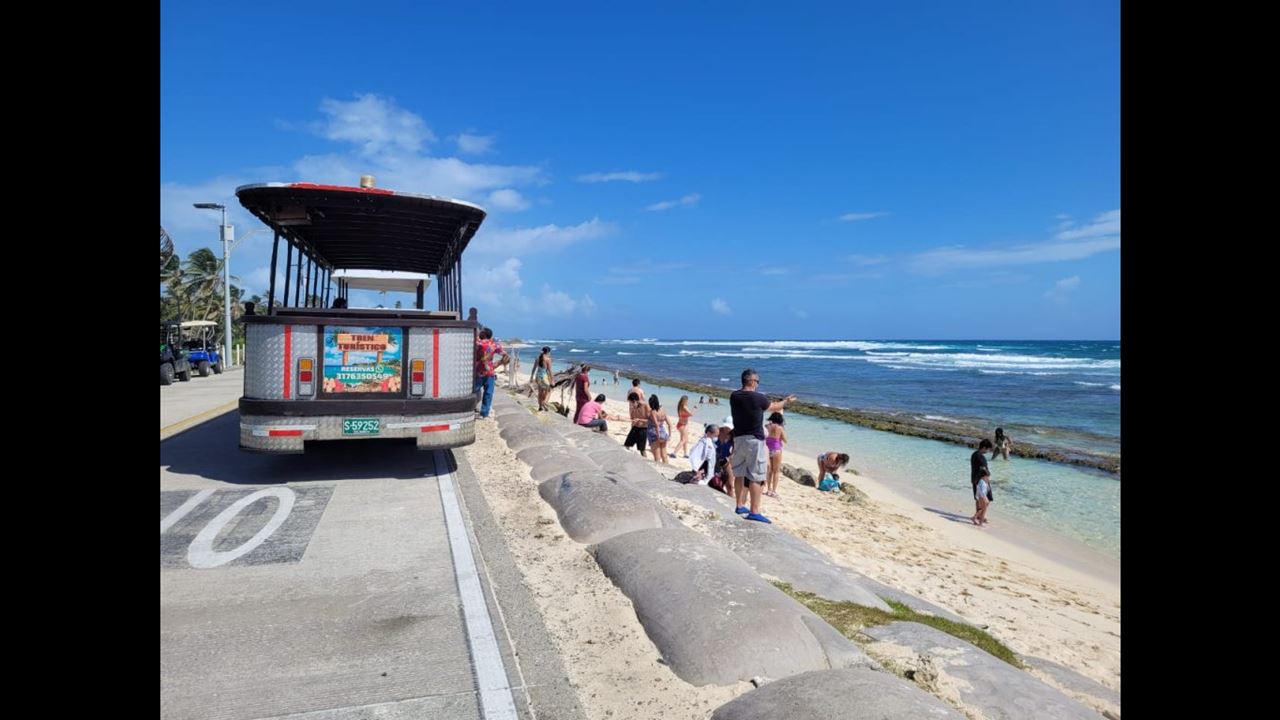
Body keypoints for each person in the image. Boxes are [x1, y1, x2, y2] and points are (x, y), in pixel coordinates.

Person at [729, 369, 795, 523]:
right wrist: (786, 401)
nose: (758, 384)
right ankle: (754, 510)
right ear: (751, 381)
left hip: (738, 438)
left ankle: (739, 505)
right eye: (757, 381)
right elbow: (773, 407)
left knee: (739, 473)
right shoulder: (758, 397)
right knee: (756, 476)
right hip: (754, 440)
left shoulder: (734, 396)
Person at [473, 327, 508, 418]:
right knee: (488, 394)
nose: (480, 333)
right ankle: (484, 413)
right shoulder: (494, 345)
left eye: (481, 332)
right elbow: (505, 355)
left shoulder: (478, 343)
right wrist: (499, 363)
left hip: (478, 372)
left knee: (473, 391)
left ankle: (470, 408)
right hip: (490, 373)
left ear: (484, 334)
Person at [764, 412, 788, 498]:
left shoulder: (767, 426)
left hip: (767, 449)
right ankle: (774, 491)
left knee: (769, 471)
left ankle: (769, 489)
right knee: (776, 471)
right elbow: (785, 440)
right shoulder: (780, 428)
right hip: (776, 450)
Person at [971, 439, 994, 525]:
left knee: (978, 499)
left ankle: (980, 516)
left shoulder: (974, 454)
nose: (988, 451)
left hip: (974, 479)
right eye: (988, 449)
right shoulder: (981, 457)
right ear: (984, 448)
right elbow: (984, 469)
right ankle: (978, 517)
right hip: (981, 480)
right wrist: (988, 474)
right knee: (985, 500)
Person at [646, 394, 674, 464]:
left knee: (657, 457)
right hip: (663, 434)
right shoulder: (663, 410)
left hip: (654, 434)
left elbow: (656, 425)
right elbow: (670, 424)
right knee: (664, 456)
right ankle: (668, 469)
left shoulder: (653, 412)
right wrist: (670, 435)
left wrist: (658, 436)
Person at [623, 391, 649, 456]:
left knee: (642, 449)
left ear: (634, 401)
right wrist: (632, 410)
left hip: (643, 429)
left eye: (631, 403)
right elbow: (632, 418)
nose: (630, 404)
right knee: (626, 445)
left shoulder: (645, 406)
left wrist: (640, 420)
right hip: (635, 428)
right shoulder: (633, 408)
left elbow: (650, 420)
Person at [712, 422, 736, 495]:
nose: (727, 429)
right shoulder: (717, 431)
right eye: (726, 427)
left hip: (726, 461)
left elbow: (735, 451)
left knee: (730, 485)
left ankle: (730, 499)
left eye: (729, 428)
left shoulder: (734, 436)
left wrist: (729, 458)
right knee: (715, 482)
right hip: (714, 460)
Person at [529, 346, 554, 411]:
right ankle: (544, 402)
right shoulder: (548, 359)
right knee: (549, 391)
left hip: (538, 376)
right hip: (544, 377)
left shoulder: (538, 358)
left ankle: (540, 407)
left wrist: (531, 377)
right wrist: (552, 380)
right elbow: (550, 370)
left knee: (540, 392)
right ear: (548, 352)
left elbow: (534, 368)